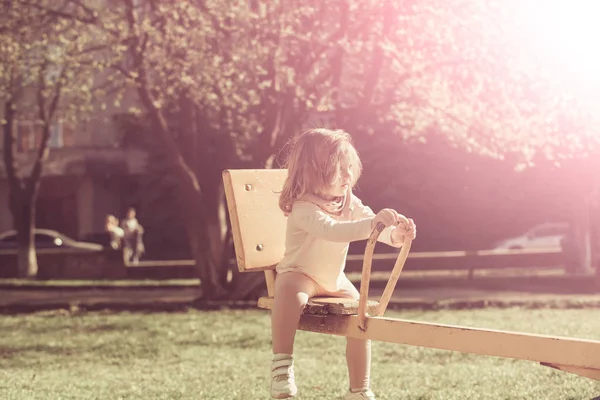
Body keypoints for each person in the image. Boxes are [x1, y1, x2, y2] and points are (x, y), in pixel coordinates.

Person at [270, 128, 417, 399]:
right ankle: (282, 367)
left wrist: (395, 234)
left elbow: (369, 222)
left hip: (333, 279)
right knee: (289, 292)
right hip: (300, 273)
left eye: (350, 168)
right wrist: (371, 224)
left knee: (362, 317)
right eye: (340, 169)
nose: (348, 176)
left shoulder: (347, 200)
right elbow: (333, 231)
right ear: (313, 171)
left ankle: (359, 389)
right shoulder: (303, 208)